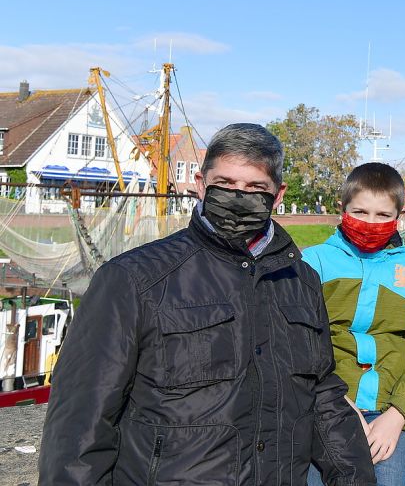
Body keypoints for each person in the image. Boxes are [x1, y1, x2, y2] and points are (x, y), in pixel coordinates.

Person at [39, 123, 376, 486]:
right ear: (201, 184)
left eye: (255, 188)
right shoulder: (134, 279)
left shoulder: (301, 281)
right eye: (225, 185)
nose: (238, 196)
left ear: (278, 195)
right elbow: (81, 420)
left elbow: (321, 395)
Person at [305, 162, 405, 486]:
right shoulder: (313, 263)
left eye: (383, 215)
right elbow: (297, 343)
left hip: (390, 409)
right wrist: (331, 398)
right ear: (342, 210)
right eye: (360, 211)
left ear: (398, 217)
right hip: (325, 407)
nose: (371, 222)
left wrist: (398, 416)